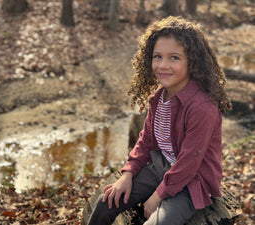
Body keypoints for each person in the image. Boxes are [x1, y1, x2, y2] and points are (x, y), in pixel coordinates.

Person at [87, 16, 231, 225]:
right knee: (105, 202)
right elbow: (146, 140)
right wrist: (128, 174)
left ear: (193, 61)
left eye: (174, 58)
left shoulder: (203, 107)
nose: (163, 65)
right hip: (161, 167)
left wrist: (157, 196)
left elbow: (189, 162)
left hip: (193, 181)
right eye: (157, 57)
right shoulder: (159, 97)